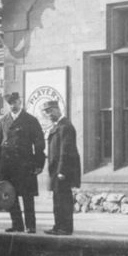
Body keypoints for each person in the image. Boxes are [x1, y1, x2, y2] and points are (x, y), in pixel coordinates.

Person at [0, 92, 45, 233]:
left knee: (27, 196)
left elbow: (39, 144)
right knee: (11, 196)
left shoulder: (30, 120)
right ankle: (17, 224)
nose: (12, 106)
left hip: (25, 165)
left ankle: (30, 226)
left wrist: (39, 164)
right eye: (10, 103)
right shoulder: (4, 121)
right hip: (7, 165)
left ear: (20, 102)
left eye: (15, 102)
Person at [42, 100, 80, 235]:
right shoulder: (58, 126)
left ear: (57, 109)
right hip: (56, 171)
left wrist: (62, 171)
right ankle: (58, 226)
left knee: (64, 200)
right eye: (47, 113)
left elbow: (66, 151)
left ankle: (65, 227)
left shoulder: (66, 126)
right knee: (57, 199)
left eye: (51, 111)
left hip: (62, 171)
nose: (49, 115)